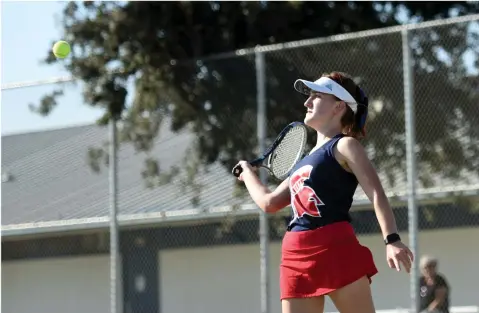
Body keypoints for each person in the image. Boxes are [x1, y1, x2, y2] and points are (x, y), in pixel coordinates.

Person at [234, 71, 414, 313]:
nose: (307, 102)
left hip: (334, 247)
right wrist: (247, 174)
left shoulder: (345, 145)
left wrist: (392, 239)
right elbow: (269, 203)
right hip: (295, 255)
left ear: (338, 106)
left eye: (316, 96)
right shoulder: (304, 162)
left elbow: (376, 194)